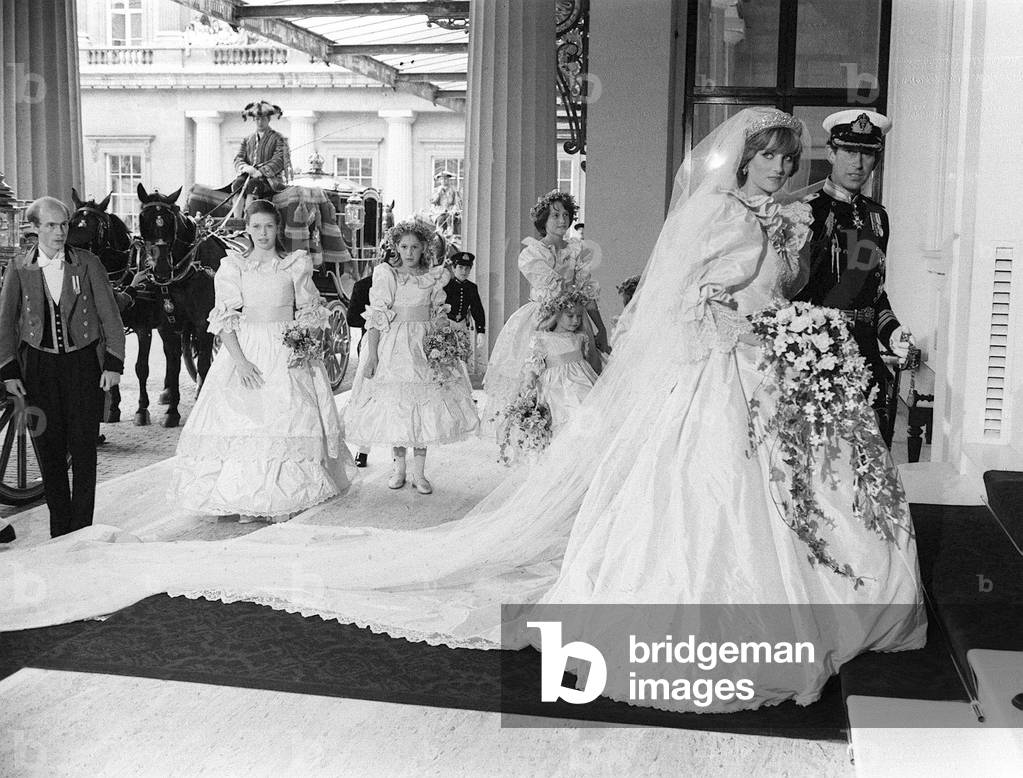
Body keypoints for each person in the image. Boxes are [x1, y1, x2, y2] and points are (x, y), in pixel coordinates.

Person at [0, 110, 925, 717]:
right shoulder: (719, 215)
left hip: (765, 372)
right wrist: (733, 321)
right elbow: (683, 303)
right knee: (704, 495)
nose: (777, 170)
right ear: (747, 161)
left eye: (784, 162)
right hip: (718, 375)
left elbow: (773, 291)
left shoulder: (800, 219)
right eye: (769, 158)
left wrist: (791, 323)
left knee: (781, 493)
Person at [168, 199, 354, 521]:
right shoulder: (234, 267)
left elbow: (309, 311)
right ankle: (242, 498)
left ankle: (277, 497)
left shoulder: (294, 264)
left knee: (288, 415)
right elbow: (224, 319)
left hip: (286, 346)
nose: (263, 233)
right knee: (243, 419)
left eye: (269, 226)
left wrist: (301, 349)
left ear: (278, 228)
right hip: (248, 348)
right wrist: (239, 362)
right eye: (256, 227)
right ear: (248, 229)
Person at [0, 196, 125, 538]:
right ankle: (60, 531)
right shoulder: (19, 267)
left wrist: (113, 363)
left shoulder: (87, 263)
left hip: (83, 364)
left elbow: (109, 315)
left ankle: (82, 529)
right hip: (37, 368)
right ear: (35, 228)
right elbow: (5, 323)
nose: (59, 231)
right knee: (48, 449)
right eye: (51, 225)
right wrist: (9, 371)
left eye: (64, 225)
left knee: (84, 449)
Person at [794, 111, 913, 444]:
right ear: (831, 153)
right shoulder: (806, 211)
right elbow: (793, 294)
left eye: (867, 153)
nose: (858, 163)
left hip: (865, 356)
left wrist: (894, 334)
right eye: (849, 151)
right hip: (818, 354)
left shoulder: (877, 217)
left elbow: (874, 295)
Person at [344, 219, 479, 494]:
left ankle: (419, 473)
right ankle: (398, 469)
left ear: (424, 248)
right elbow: (377, 317)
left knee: (422, 408)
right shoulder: (387, 275)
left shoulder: (433, 277)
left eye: (414, 247)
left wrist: (446, 344)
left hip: (424, 345)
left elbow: (439, 313)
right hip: (395, 346)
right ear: (396, 248)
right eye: (404, 246)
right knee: (399, 406)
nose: (409, 252)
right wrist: (371, 357)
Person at [482, 190, 608, 421]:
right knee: (539, 377)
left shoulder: (576, 250)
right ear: (543, 221)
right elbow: (553, 289)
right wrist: (573, 294)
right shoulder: (534, 253)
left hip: (573, 318)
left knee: (579, 379)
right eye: (555, 215)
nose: (562, 220)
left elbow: (586, 292)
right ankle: (536, 429)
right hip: (544, 318)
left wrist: (600, 327)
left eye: (566, 215)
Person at [521, 287, 600, 434]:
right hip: (556, 384)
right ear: (556, 315)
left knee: (585, 407)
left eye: (579, 316)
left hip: (581, 380)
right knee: (564, 415)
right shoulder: (543, 338)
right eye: (570, 316)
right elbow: (533, 360)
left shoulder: (580, 337)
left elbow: (587, 359)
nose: (576, 320)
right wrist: (531, 374)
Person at [231, 101, 289, 218]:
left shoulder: (278, 138)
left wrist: (261, 172)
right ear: (254, 120)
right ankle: (237, 221)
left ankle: (248, 220)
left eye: (263, 119)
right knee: (237, 184)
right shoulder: (247, 139)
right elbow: (238, 157)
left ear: (268, 120)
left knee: (252, 185)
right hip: (249, 174)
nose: (260, 122)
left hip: (271, 179)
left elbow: (279, 159)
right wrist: (245, 167)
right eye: (257, 119)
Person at [443, 251, 486, 335]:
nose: (464, 271)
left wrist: (481, 331)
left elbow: (477, 309)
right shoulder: (446, 285)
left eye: (467, 268)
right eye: (461, 267)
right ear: (453, 268)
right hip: (446, 324)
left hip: (462, 326)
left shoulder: (471, 287)